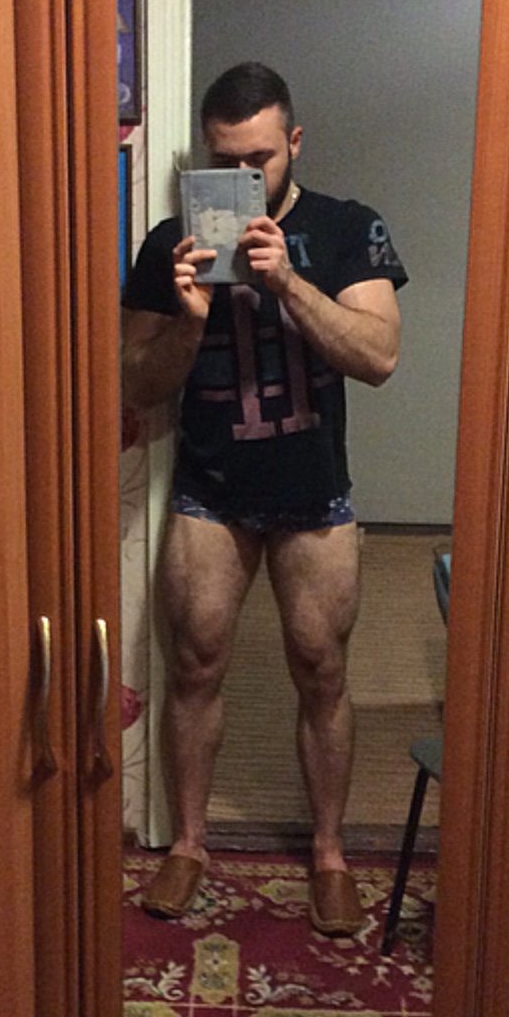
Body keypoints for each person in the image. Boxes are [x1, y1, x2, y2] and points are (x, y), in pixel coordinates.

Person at [121, 62, 407, 936]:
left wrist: (285, 282)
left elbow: (378, 356)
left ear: (293, 143)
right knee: (195, 665)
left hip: (314, 493)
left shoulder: (347, 226)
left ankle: (328, 854)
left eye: (259, 159)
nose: (244, 175)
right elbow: (136, 384)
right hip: (209, 492)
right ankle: (188, 845)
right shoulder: (168, 243)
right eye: (224, 161)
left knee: (322, 672)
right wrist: (189, 319)